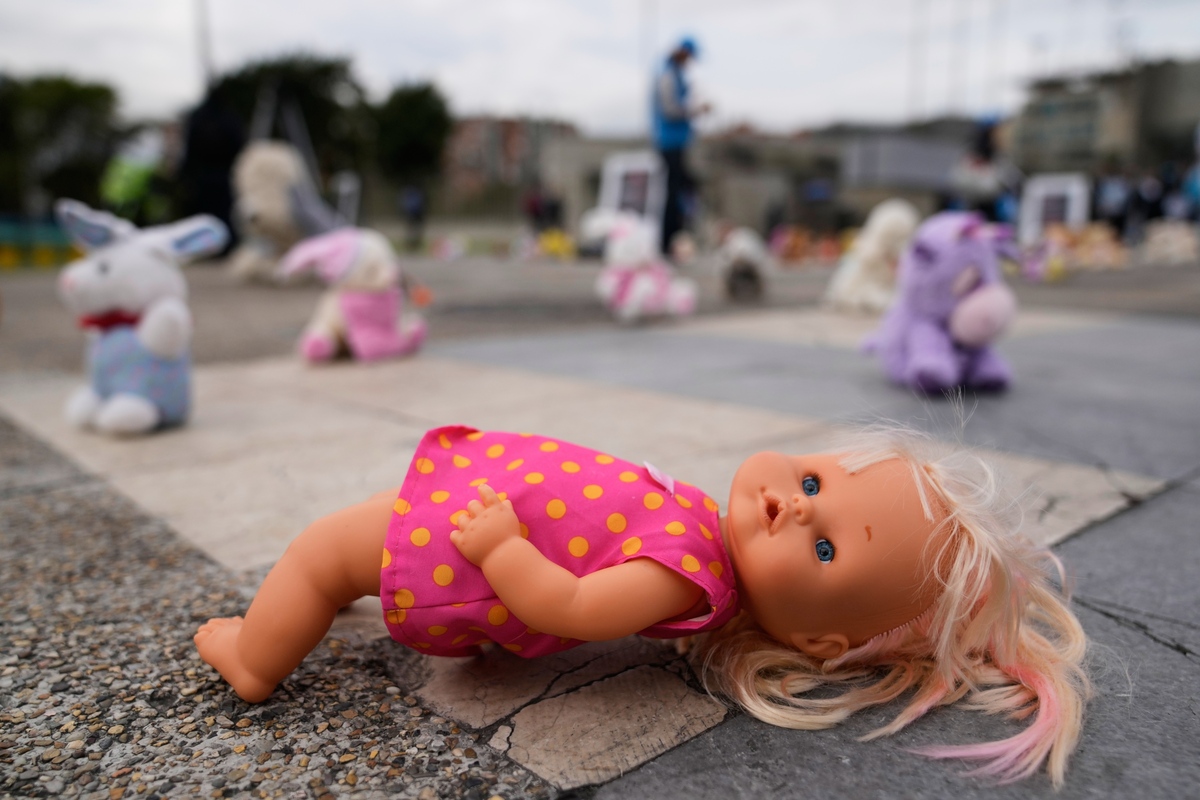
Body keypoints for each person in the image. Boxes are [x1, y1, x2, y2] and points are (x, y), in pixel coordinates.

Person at [196, 422, 1090, 785]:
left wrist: (503, 552)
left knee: (321, 555)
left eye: (822, 546)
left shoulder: (690, 570)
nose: (798, 501)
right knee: (336, 557)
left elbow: (580, 606)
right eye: (815, 478)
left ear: (817, 639)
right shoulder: (705, 534)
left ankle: (256, 657)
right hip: (473, 551)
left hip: (454, 546)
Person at [651, 37, 710, 258]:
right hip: (669, 143)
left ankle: (676, 240)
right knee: (674, 192)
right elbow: (670, 109)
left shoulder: (676, 75)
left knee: (682, 190)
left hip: (678, 142)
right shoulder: (667, 75)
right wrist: (696, 110)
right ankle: (667, 242)